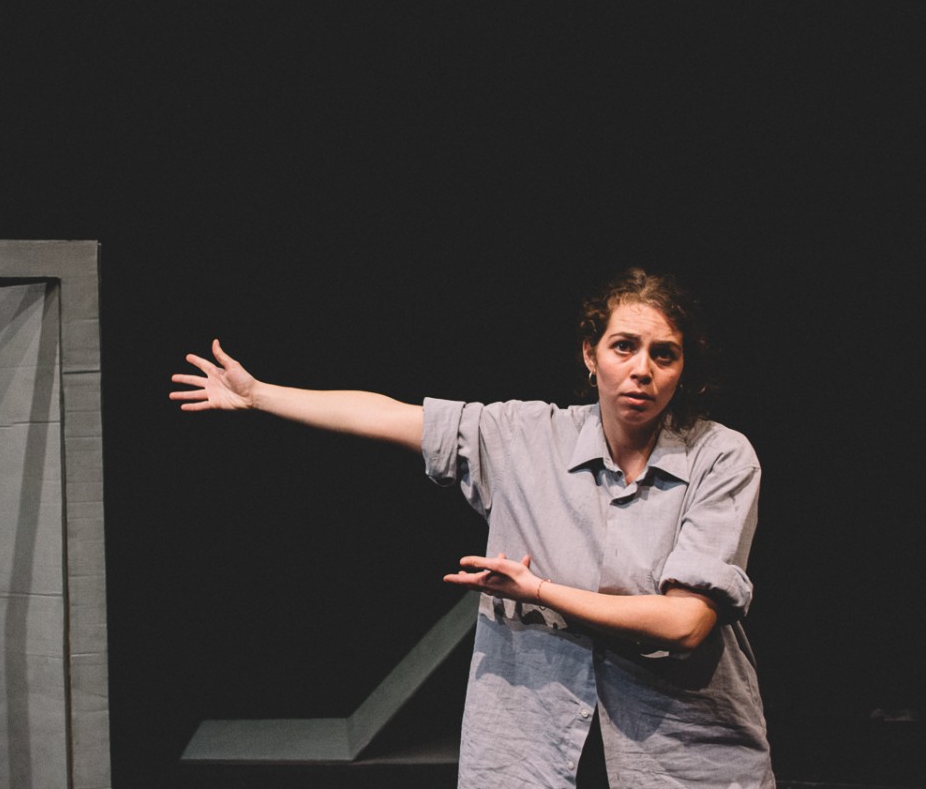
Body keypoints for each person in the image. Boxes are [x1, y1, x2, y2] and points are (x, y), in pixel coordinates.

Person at [169, 267, 774, 789]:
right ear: (590, 356)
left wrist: (539, 592)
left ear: (682, 368)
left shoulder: (720, 457)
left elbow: (685, 623)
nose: (642, 370)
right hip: (532, 750)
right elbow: (390, 416)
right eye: (624, 347)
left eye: (664, 354)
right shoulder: (522, 438)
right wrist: (260, 395)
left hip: (680, 752)